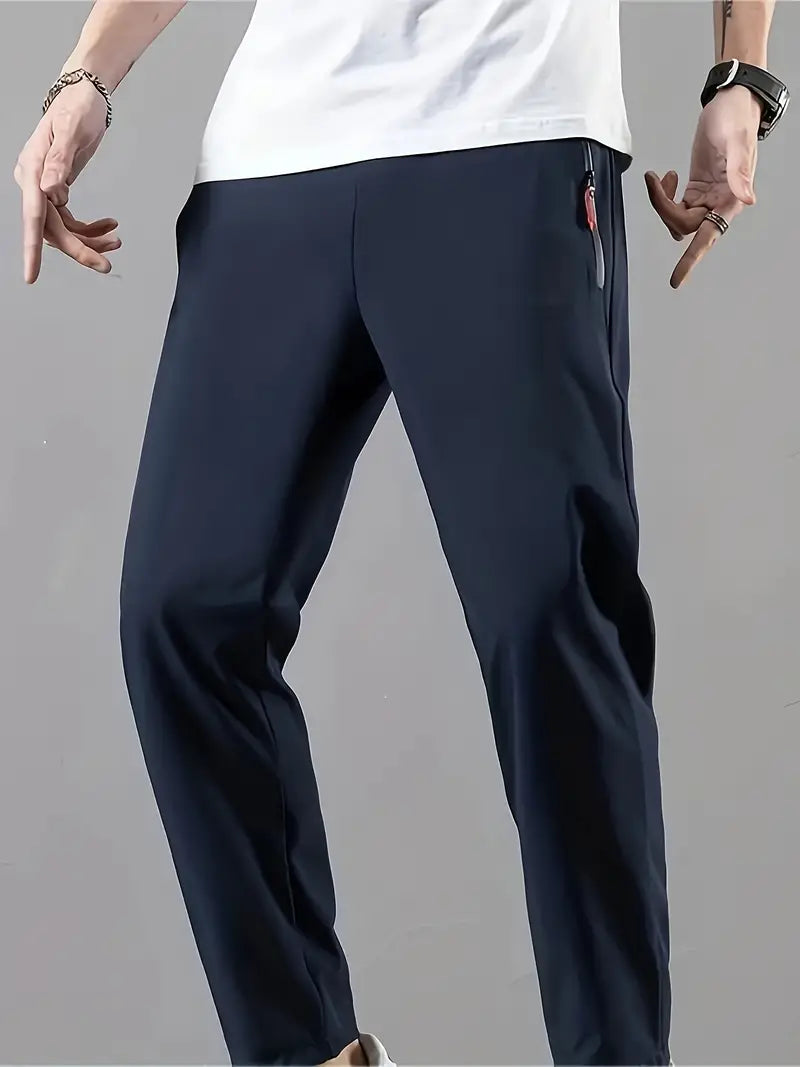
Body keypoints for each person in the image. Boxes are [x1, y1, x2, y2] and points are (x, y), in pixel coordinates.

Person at [14, 2, 788, 1065]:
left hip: (510, 133)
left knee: (549, 616)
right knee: (182, 612)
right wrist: (86, 78)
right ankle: (305, 1049)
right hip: (276, 156)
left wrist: (742, 77)